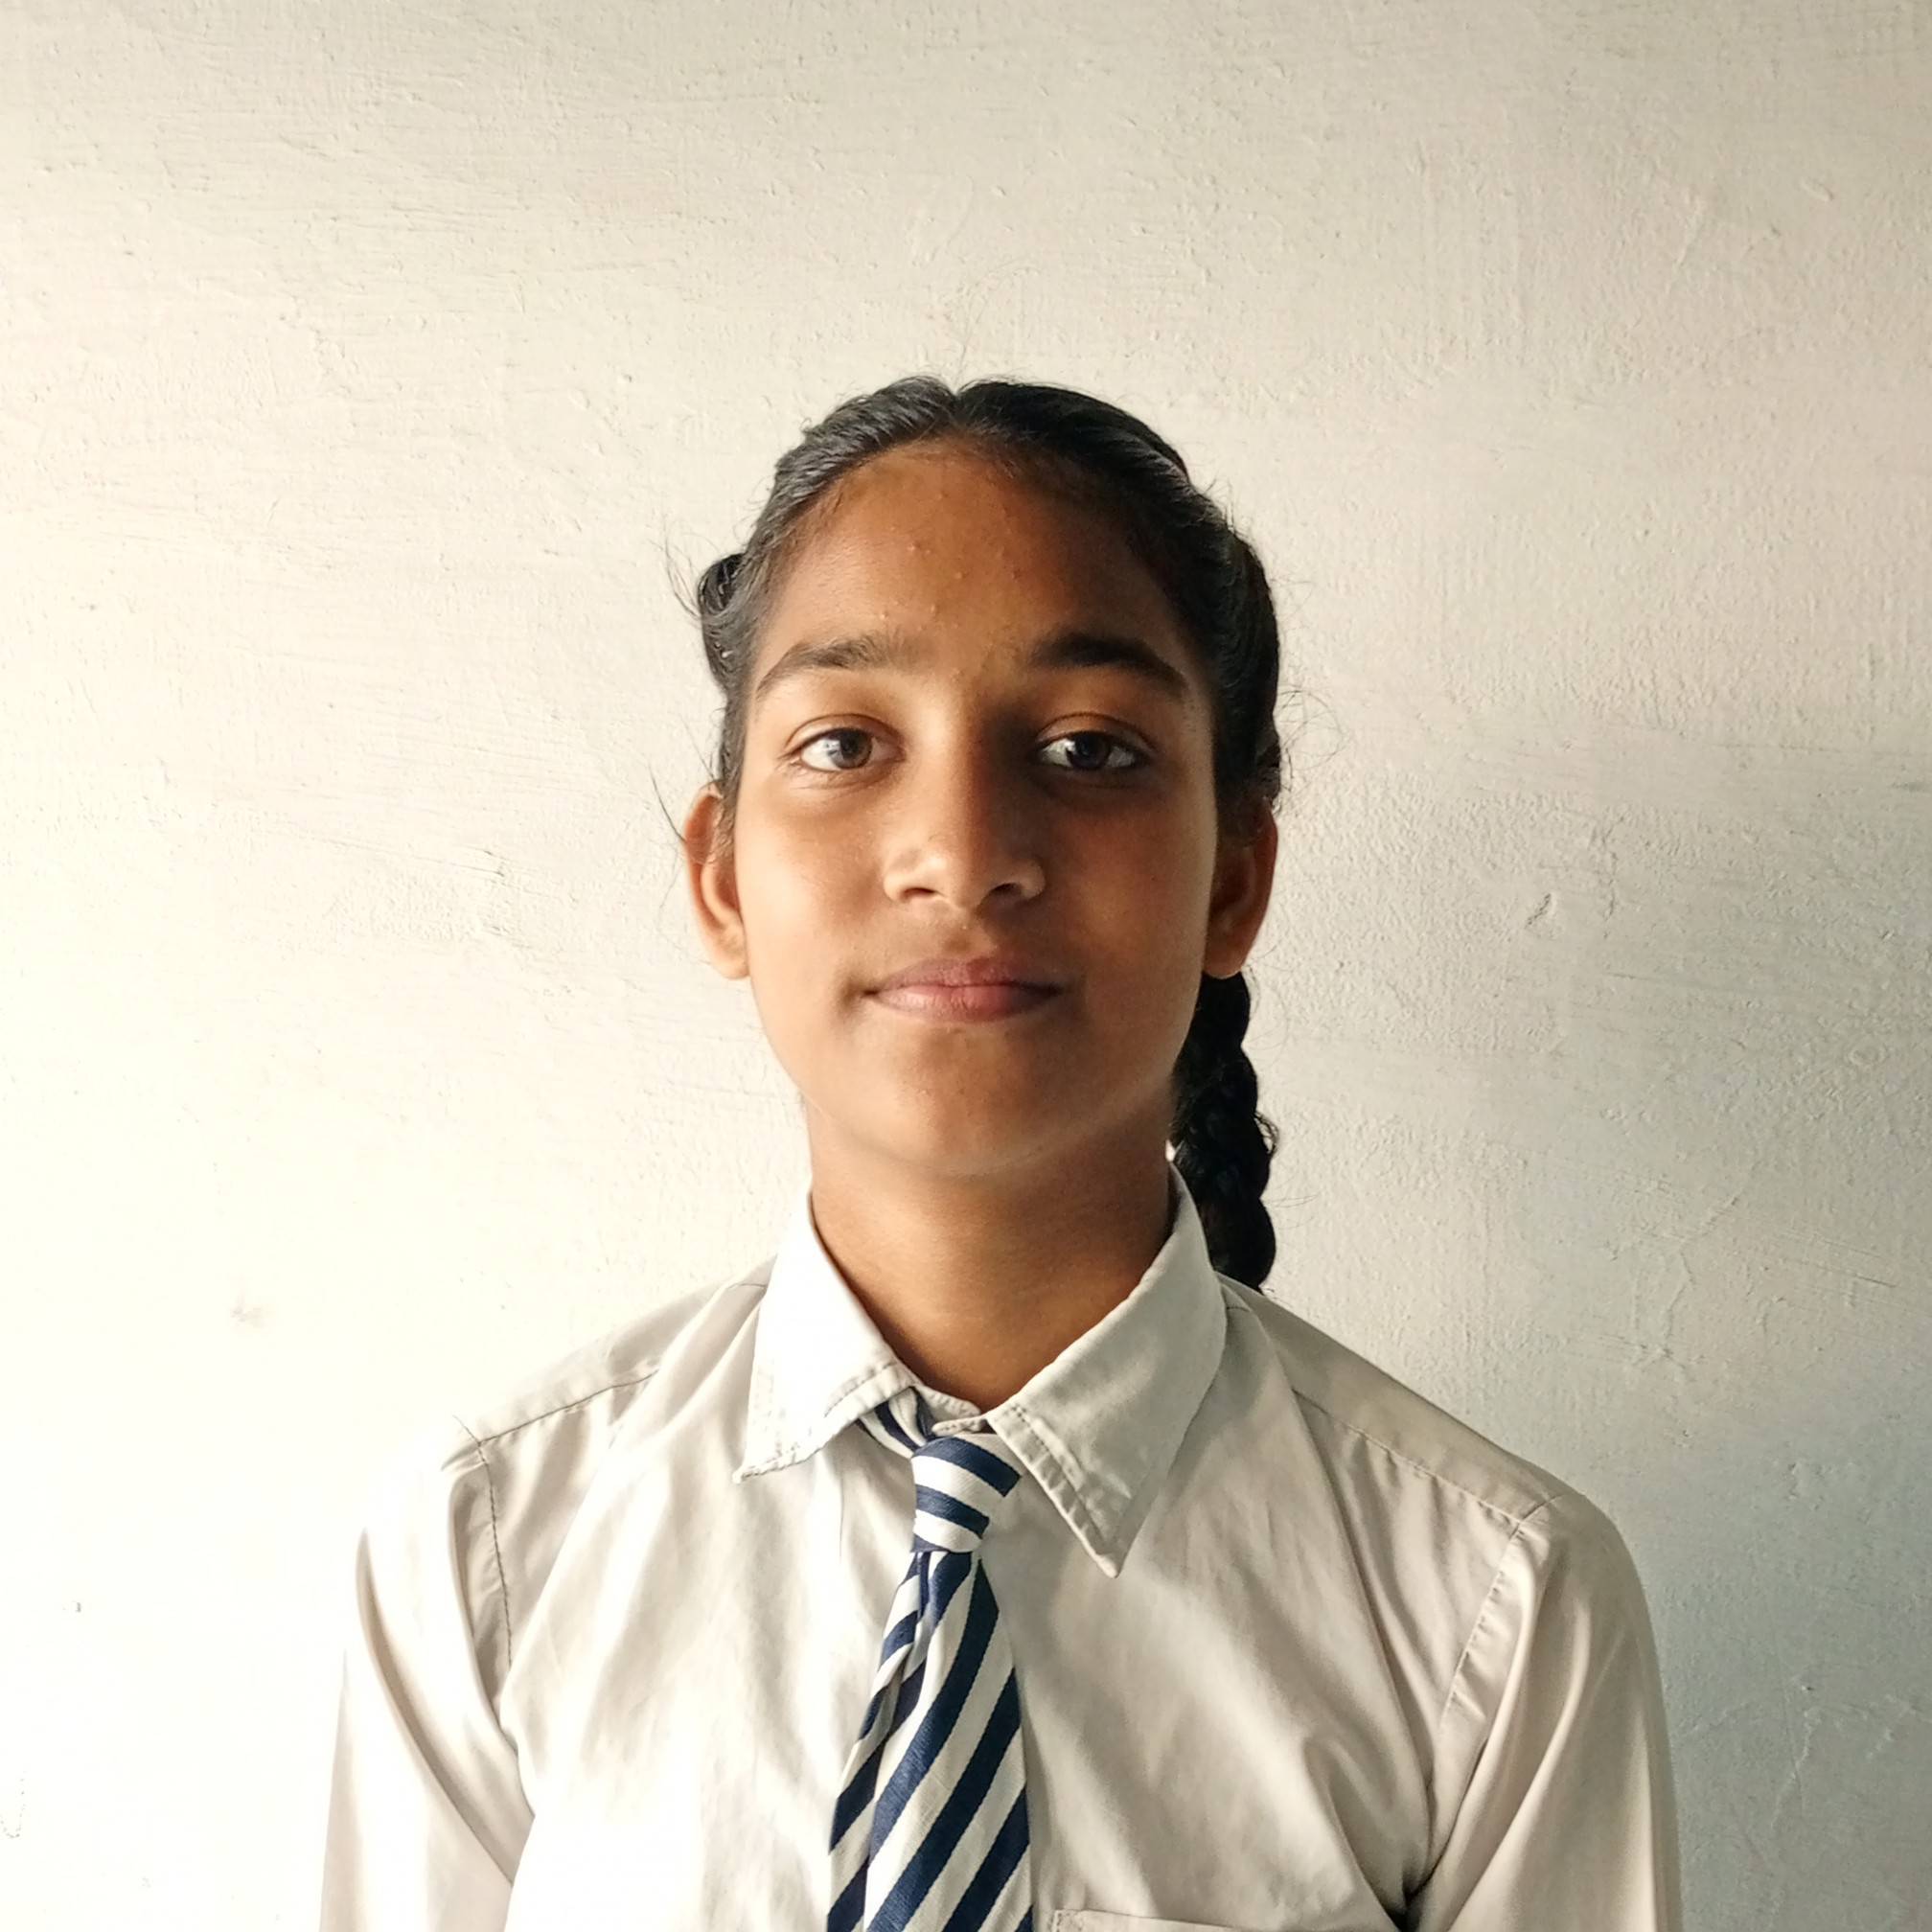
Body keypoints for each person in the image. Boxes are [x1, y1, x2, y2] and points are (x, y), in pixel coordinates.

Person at [316, 375, 1683, 1931]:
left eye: (1089, 750)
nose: (963, 855)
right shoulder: (491, 1548)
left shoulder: (1492, 1607)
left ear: (1233, 879)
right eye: (846, 741)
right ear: (722, 877)